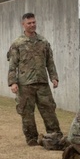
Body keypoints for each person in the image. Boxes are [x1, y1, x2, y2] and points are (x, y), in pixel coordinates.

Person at [7, 12, 61, 145]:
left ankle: (55, 136)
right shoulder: (17, 44)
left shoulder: (43, 42)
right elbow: (13, 65)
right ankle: (31, 139)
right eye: (29, 23)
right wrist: (12, 83)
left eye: (34, 22)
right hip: (25, 84)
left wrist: (54, 77)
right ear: (23, 25)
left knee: (49, 110)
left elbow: (50, 61)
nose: (32, 25)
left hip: (42, 83)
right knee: (27, 113)